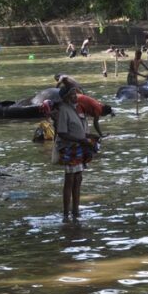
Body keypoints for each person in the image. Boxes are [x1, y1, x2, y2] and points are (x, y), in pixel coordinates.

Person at [54, 85, 97, 222]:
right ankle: (66, 213)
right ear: (66, 97)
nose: (75, 96)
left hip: (79, 147)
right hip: (70, 148)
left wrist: (90, 136)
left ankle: (76, 211)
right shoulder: (63, 110)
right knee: (70, 180)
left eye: (75, 94)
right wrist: (81, 140)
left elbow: (76, 129)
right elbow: (62, 132)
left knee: (78, 178)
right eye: (72, 94)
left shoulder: (74, 108)